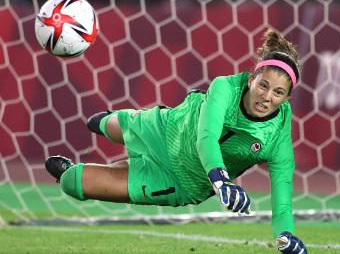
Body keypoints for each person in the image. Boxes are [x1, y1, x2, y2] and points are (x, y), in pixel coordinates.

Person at [45, 28, 307, 254]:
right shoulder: (225, 87)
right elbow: (207, 138)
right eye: (263, 85)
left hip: (178, 181)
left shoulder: (277, 137)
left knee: (74, 183)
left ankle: (76, 170)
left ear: (286, 99)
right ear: (252, 80)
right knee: (104, 124)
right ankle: (115, 121)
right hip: (165, 128)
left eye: (278, 92)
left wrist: (286, 235)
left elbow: (282, 193)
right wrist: (222, 180)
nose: (267, 96)